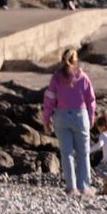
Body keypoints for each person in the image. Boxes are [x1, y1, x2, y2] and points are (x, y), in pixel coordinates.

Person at [42, 48, 96, 195]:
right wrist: (91, 117)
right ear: (75, 60)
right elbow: (91, 100)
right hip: (80, 116)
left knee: (66, 153)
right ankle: (84, 187)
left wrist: (46, 119)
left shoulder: (56, 78)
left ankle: (71, 187)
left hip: (61, 116)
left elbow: (49, 99)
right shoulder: (83, 77)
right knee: (83, 153)